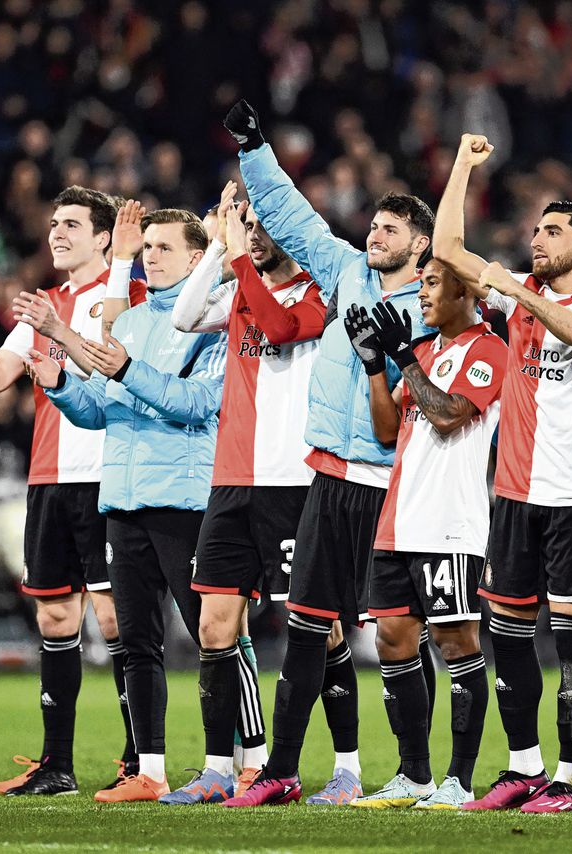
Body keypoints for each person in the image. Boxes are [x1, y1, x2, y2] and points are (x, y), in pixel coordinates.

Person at [220, 99, 436, 808]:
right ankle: (282, 770)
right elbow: (287, 214)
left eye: (391, 229)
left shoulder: (437, 310)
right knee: (308, 623)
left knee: (398, 634)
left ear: (422, 246)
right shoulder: (345, 272)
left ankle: (417, 773)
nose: (374, 235)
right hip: (328, 477)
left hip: (391, 486)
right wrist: (254, 148)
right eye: (373, 225)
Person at [433, 134, 572, 814]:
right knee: (509, 635)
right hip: (513, 497)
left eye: (552, 231)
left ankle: (571, 780)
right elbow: (448, 252)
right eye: (535, 229)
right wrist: (462, 167)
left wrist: (515, 286)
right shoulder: (521, 304)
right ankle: (524, 768)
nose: (537, 238)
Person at [0, 186, 146, 797]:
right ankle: (57, 765)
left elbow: (109, 359)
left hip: (109, 475)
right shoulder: (44, 303)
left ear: (105, 236)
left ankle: (141, 760)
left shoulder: (128, 294)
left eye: (72, 224)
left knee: (113, 616)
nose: (57, 233)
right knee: (54, 614)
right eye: (54, 224)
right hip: (50, 477)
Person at [28, 205, 224, 803]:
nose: (151, 256)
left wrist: (129, 371)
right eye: (148, 248)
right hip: (122, 498)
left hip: (182, 501)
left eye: (165, 248)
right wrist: (61, 384)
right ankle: (152, 771)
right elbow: (98, 409)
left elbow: (199, 404)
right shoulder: (131, 322)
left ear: (198, 259)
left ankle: (243, 761)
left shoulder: (213, 323)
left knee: (215, 639)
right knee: (138, 642)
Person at [164, 189, 325, 803]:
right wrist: (215, 249)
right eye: (247, 225)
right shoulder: (236, 285)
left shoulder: (316, 293)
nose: (253, 235)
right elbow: (182, 316)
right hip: (230, 481)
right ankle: (218, 768)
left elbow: (281, 331)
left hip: (291, 480)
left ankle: (344, 765)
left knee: (319, 627)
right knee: (214, 625)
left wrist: (234, 260)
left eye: (263, 227)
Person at [346, 258, 507, 810]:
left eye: (432, 283)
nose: (421, 294)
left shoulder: (488, 350)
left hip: (450, 523)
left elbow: (447, 414)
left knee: (455, 642)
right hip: (398, 519)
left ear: (465, 290)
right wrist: (375, 368)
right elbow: (389, 429)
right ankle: (413, 775)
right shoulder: (429, 350)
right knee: (392, 639)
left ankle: (459, 780)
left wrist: (403, 359)